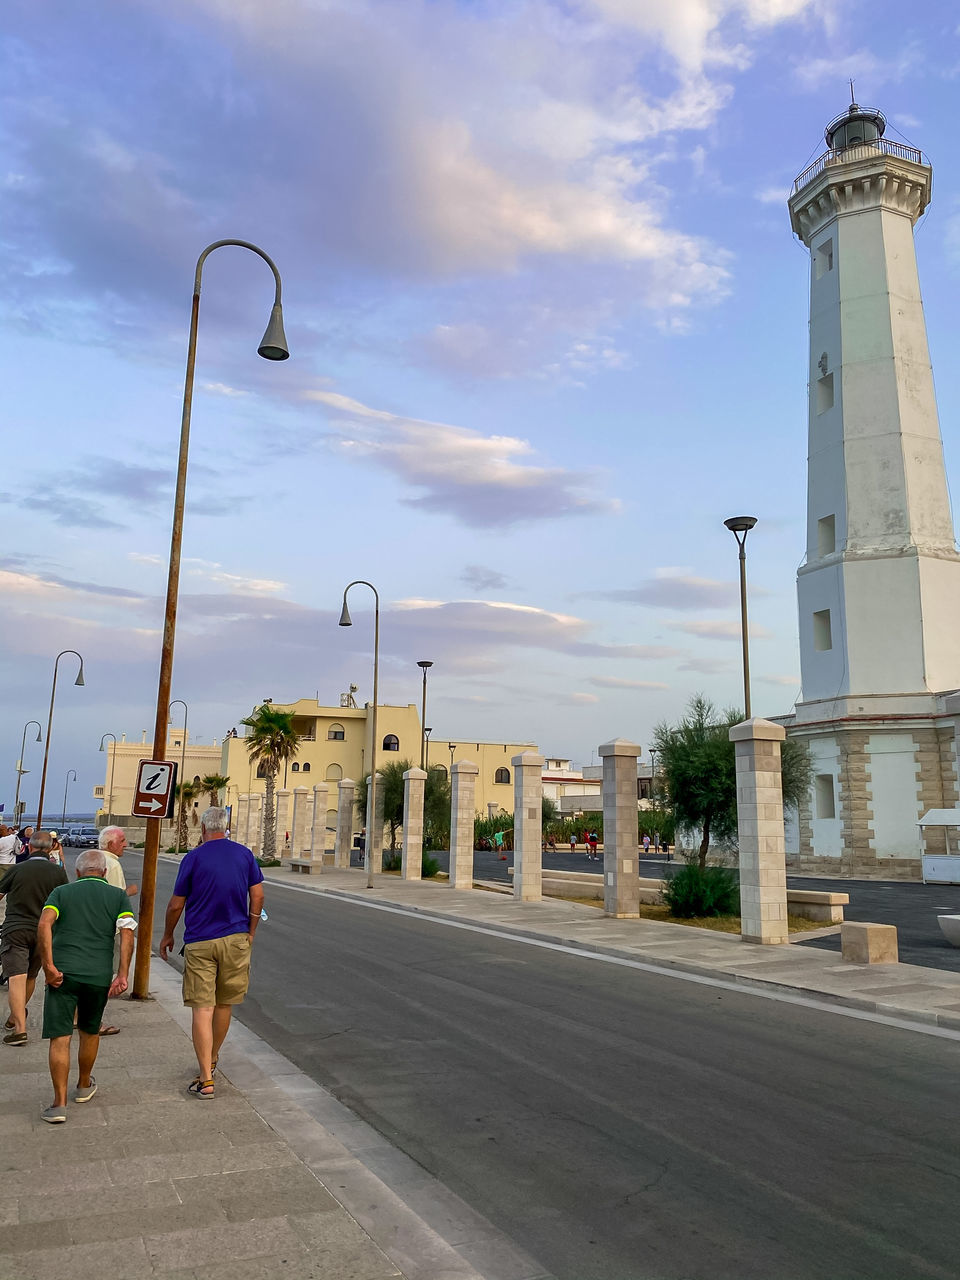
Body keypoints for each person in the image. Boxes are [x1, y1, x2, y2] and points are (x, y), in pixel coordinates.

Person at [159, 806, 264, 1100]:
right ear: (226, 827)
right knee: (224, 1004)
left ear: (203, 829)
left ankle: (206, 1078)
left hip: (200, 941)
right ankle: (213, 1057)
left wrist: (168, 935)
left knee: (202, 1009)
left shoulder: (193, 858)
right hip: (235, 938)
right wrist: (251, 930)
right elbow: (258, 895)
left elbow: (176, 904)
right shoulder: (244, 854)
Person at [36, 847, 136, 1122]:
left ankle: (58, 1103)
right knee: (90, 1031)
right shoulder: (117, 896)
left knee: (60, 1036)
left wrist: (49, 966)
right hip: (97, 975)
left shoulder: (61, 893)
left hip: (63, 974)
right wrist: (123, 974)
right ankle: (82, 1085)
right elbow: (127, 933)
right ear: (104, 873)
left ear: (77, 872)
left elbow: (44, 924)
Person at [0, 832, 69, 1045]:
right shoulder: (58, 873)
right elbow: (64, 904)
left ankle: (19, 1029)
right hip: (43, 932)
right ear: (50, 848)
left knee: (15, 977)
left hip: (16, 929)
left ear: (29, 847)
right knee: (30, 977)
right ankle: (15, 1016)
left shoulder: (17, 869)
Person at [97, 827, 138, 1035]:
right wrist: (129, 891)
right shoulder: (112, 864)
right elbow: (113, 898)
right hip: (108, 930)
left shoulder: (95, 859)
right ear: (110, 843)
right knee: (104, 976)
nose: (125, 844)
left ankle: (79, 1016)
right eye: (122, 840)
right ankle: (94, 1020)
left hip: (92, 927)